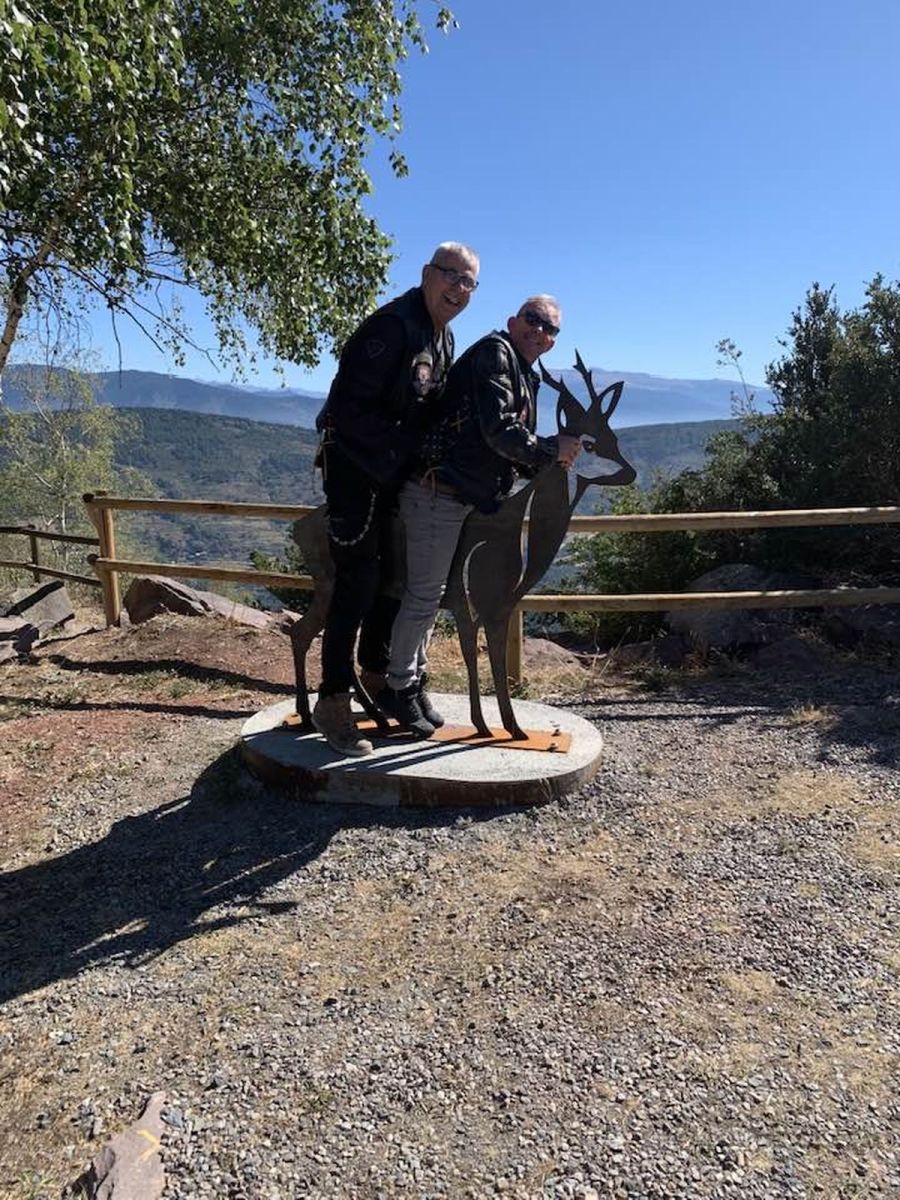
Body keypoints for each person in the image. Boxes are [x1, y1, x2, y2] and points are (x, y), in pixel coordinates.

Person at [377, 295, 581, 738]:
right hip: (439, 492)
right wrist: (551, 449)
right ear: (514, 321)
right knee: (425, 594)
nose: (540, 331)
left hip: (462, 495)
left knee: (433, 595)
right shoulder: (495, 353)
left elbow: (508, 440)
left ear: (553, 341)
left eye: (550, 328)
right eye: (533, 320)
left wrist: (547, 457)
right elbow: (499, 430)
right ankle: (399, 686)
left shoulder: (522, 371)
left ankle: (412, 681)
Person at [312, 241, 480, 756]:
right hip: (355, 472)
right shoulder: (391, 327)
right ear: (428, 273)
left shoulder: (442, 336)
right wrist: (410, 446)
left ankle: (378, 677)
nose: (458, 289)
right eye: (451, 275)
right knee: (357, 583)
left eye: (469, 282)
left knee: (395, 578)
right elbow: (348, 411)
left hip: (393, 475)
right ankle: (332, 700)